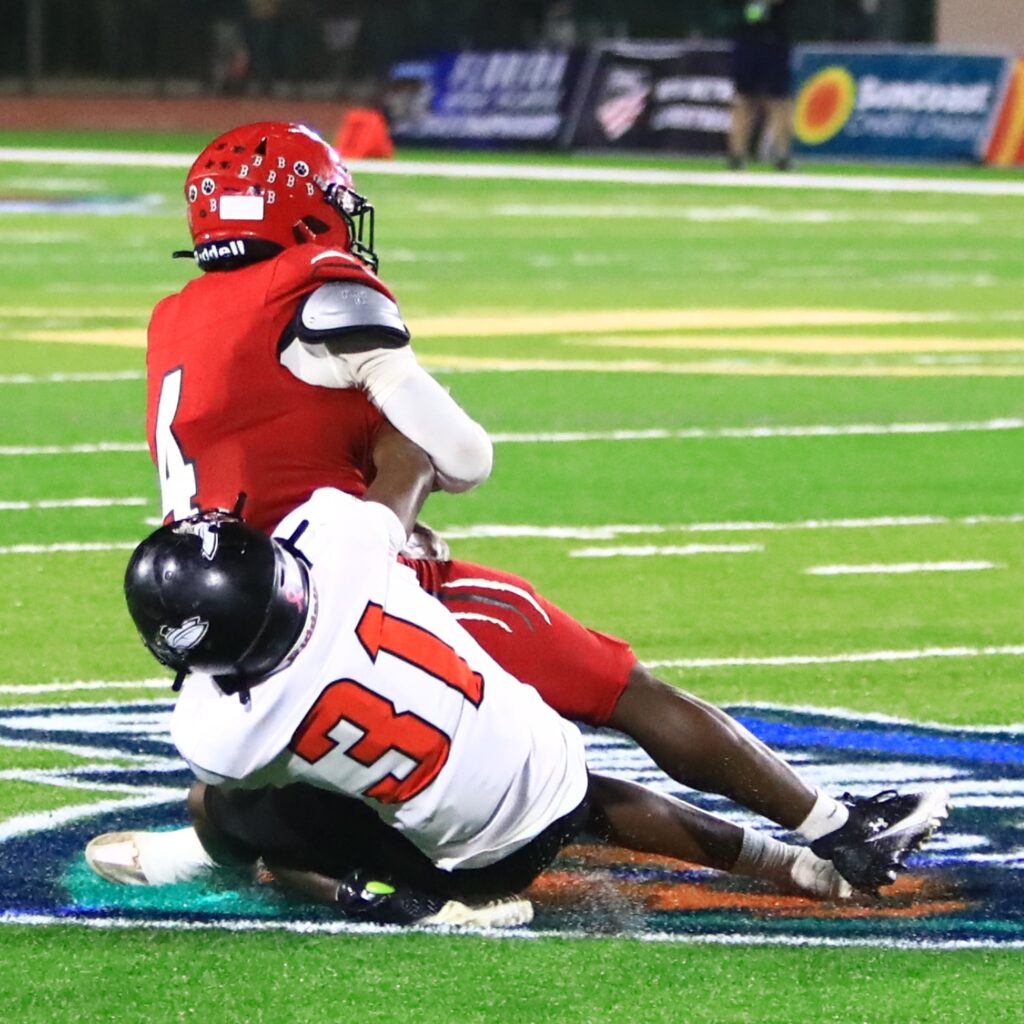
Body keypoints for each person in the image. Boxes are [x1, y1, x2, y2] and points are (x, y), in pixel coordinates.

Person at [88, 122, 947, 917]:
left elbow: (267, 456)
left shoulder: (176, 319)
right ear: (304, 211)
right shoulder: (309, 287)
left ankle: (229, 854)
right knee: (613, 694)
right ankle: (838, 829)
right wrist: (397, 490)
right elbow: (464, 456)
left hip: (241, 626)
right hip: (355, 591)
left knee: (250, 789)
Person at [116, 484, 889, 924]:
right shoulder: (338, 536)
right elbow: (402, 476)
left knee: (244, 820)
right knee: (577, 793)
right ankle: (790, 860)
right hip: (550, 765)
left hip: (472, 867)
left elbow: (253, 764)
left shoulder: (221, 732)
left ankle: (405, 905)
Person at [727, 0, 794, 170]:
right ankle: (736, 155)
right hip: (746, 42)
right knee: (744, 100)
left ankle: (782, 155)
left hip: (774, 42)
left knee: (778, 101)